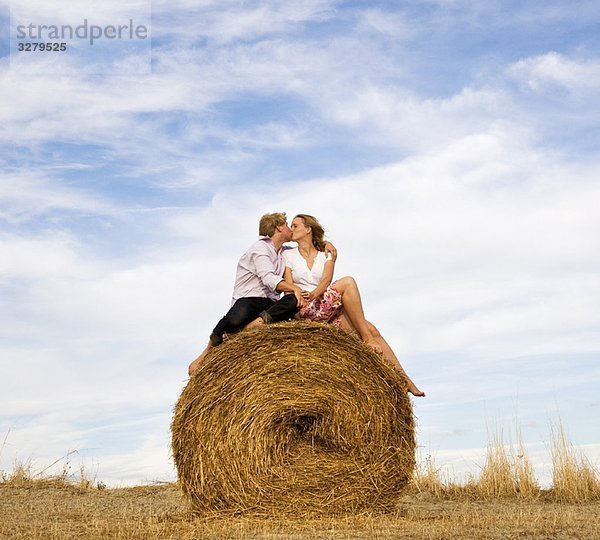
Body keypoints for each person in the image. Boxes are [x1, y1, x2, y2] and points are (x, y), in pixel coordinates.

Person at [282, 214, 425, 397]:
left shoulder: (325, 254)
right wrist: (300, 298)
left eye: (295, 226)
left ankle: (405, 380)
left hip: (323, 305)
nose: (291, 229)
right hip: (303, 310)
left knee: (372, 330)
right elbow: (288, 287)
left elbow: (326, 280)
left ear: (308, 229)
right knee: (348, 282)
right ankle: (367, 339)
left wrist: (315, 293)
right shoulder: (288, 254)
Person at [188, 212, 336, 376]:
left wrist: (326, 244)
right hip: (249, 300)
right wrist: (295, 288)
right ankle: (206, 352)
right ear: (279, 228)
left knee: (292, 301)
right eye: (288, 225)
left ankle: (253, 326)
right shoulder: (260, 249)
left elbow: (308, 247)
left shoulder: (283, 252)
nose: (290, 229)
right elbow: (268, 278)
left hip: (268, 304)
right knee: (234, 319)